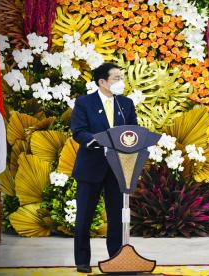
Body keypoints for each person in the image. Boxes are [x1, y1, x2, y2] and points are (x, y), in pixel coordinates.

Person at [71, 62, 138, 273]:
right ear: (102, 82)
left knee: (117, 217)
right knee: (84, 216)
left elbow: (133, 131)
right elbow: (79, 131)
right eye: (116, 78)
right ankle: (82, 261)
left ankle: (116, 258)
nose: (121, 82)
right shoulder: (84, 103)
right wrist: (100, 140)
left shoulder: (126, 104)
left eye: (121, 77)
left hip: (118, 168)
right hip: (91, 167)